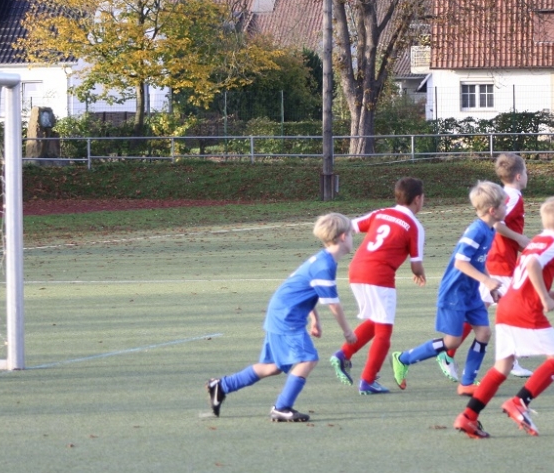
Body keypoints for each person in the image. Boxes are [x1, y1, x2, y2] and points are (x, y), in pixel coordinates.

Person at [207, 213, 358, 421]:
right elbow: (334, 304)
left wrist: (314, 318)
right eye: (351, 233)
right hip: (286, 317)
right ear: (342, 237)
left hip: (280, 312)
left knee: (273, 367)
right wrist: (347, 332)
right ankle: (282, 407)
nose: (352, 238)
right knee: (308, 358)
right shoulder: (325, 266)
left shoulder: (323, 260)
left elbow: (301, 288)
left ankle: (222, 386)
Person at [453, 197, 554, 439]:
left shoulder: (537, 240)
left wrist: (549, 292)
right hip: (525, 310)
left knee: (502, 367)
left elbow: (524, 274)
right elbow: (532, 266)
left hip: (507, 305)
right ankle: (520, 402)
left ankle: (468, 416)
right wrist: (544, 298)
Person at [390, 181, 506, 396]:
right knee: (452, 341)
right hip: (455, 292)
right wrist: (487, 282)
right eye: (504, 205)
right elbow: (460, 263)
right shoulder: (477, 231)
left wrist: (489, 285)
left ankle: (467, 382)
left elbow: (479, 261)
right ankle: (403, 358)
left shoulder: (490, 230)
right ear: (493, 210)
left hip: (470, 292)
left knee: (484, 332)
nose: (506, 208)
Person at [439, 154, 533, 381]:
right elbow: (498, 224)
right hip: (499, 261)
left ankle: (449, 353)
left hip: (497, 259)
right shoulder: (512, 196)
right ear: (518, 176)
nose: (527, 176)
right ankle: (507, 359)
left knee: (483, 309)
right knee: (513, 309)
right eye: (526, 172)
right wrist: (519, 238)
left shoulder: (506, 194)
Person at [329, 177, 426, 394]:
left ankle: (343, 354)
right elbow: (416, 265)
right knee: (384, 331)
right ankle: (368, 380)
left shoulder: (381, 213)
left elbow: (351, 226)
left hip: (356, 270)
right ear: (417, 199)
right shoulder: (414, 226)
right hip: (379, 276)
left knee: (376, 320)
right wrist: (420, 274)